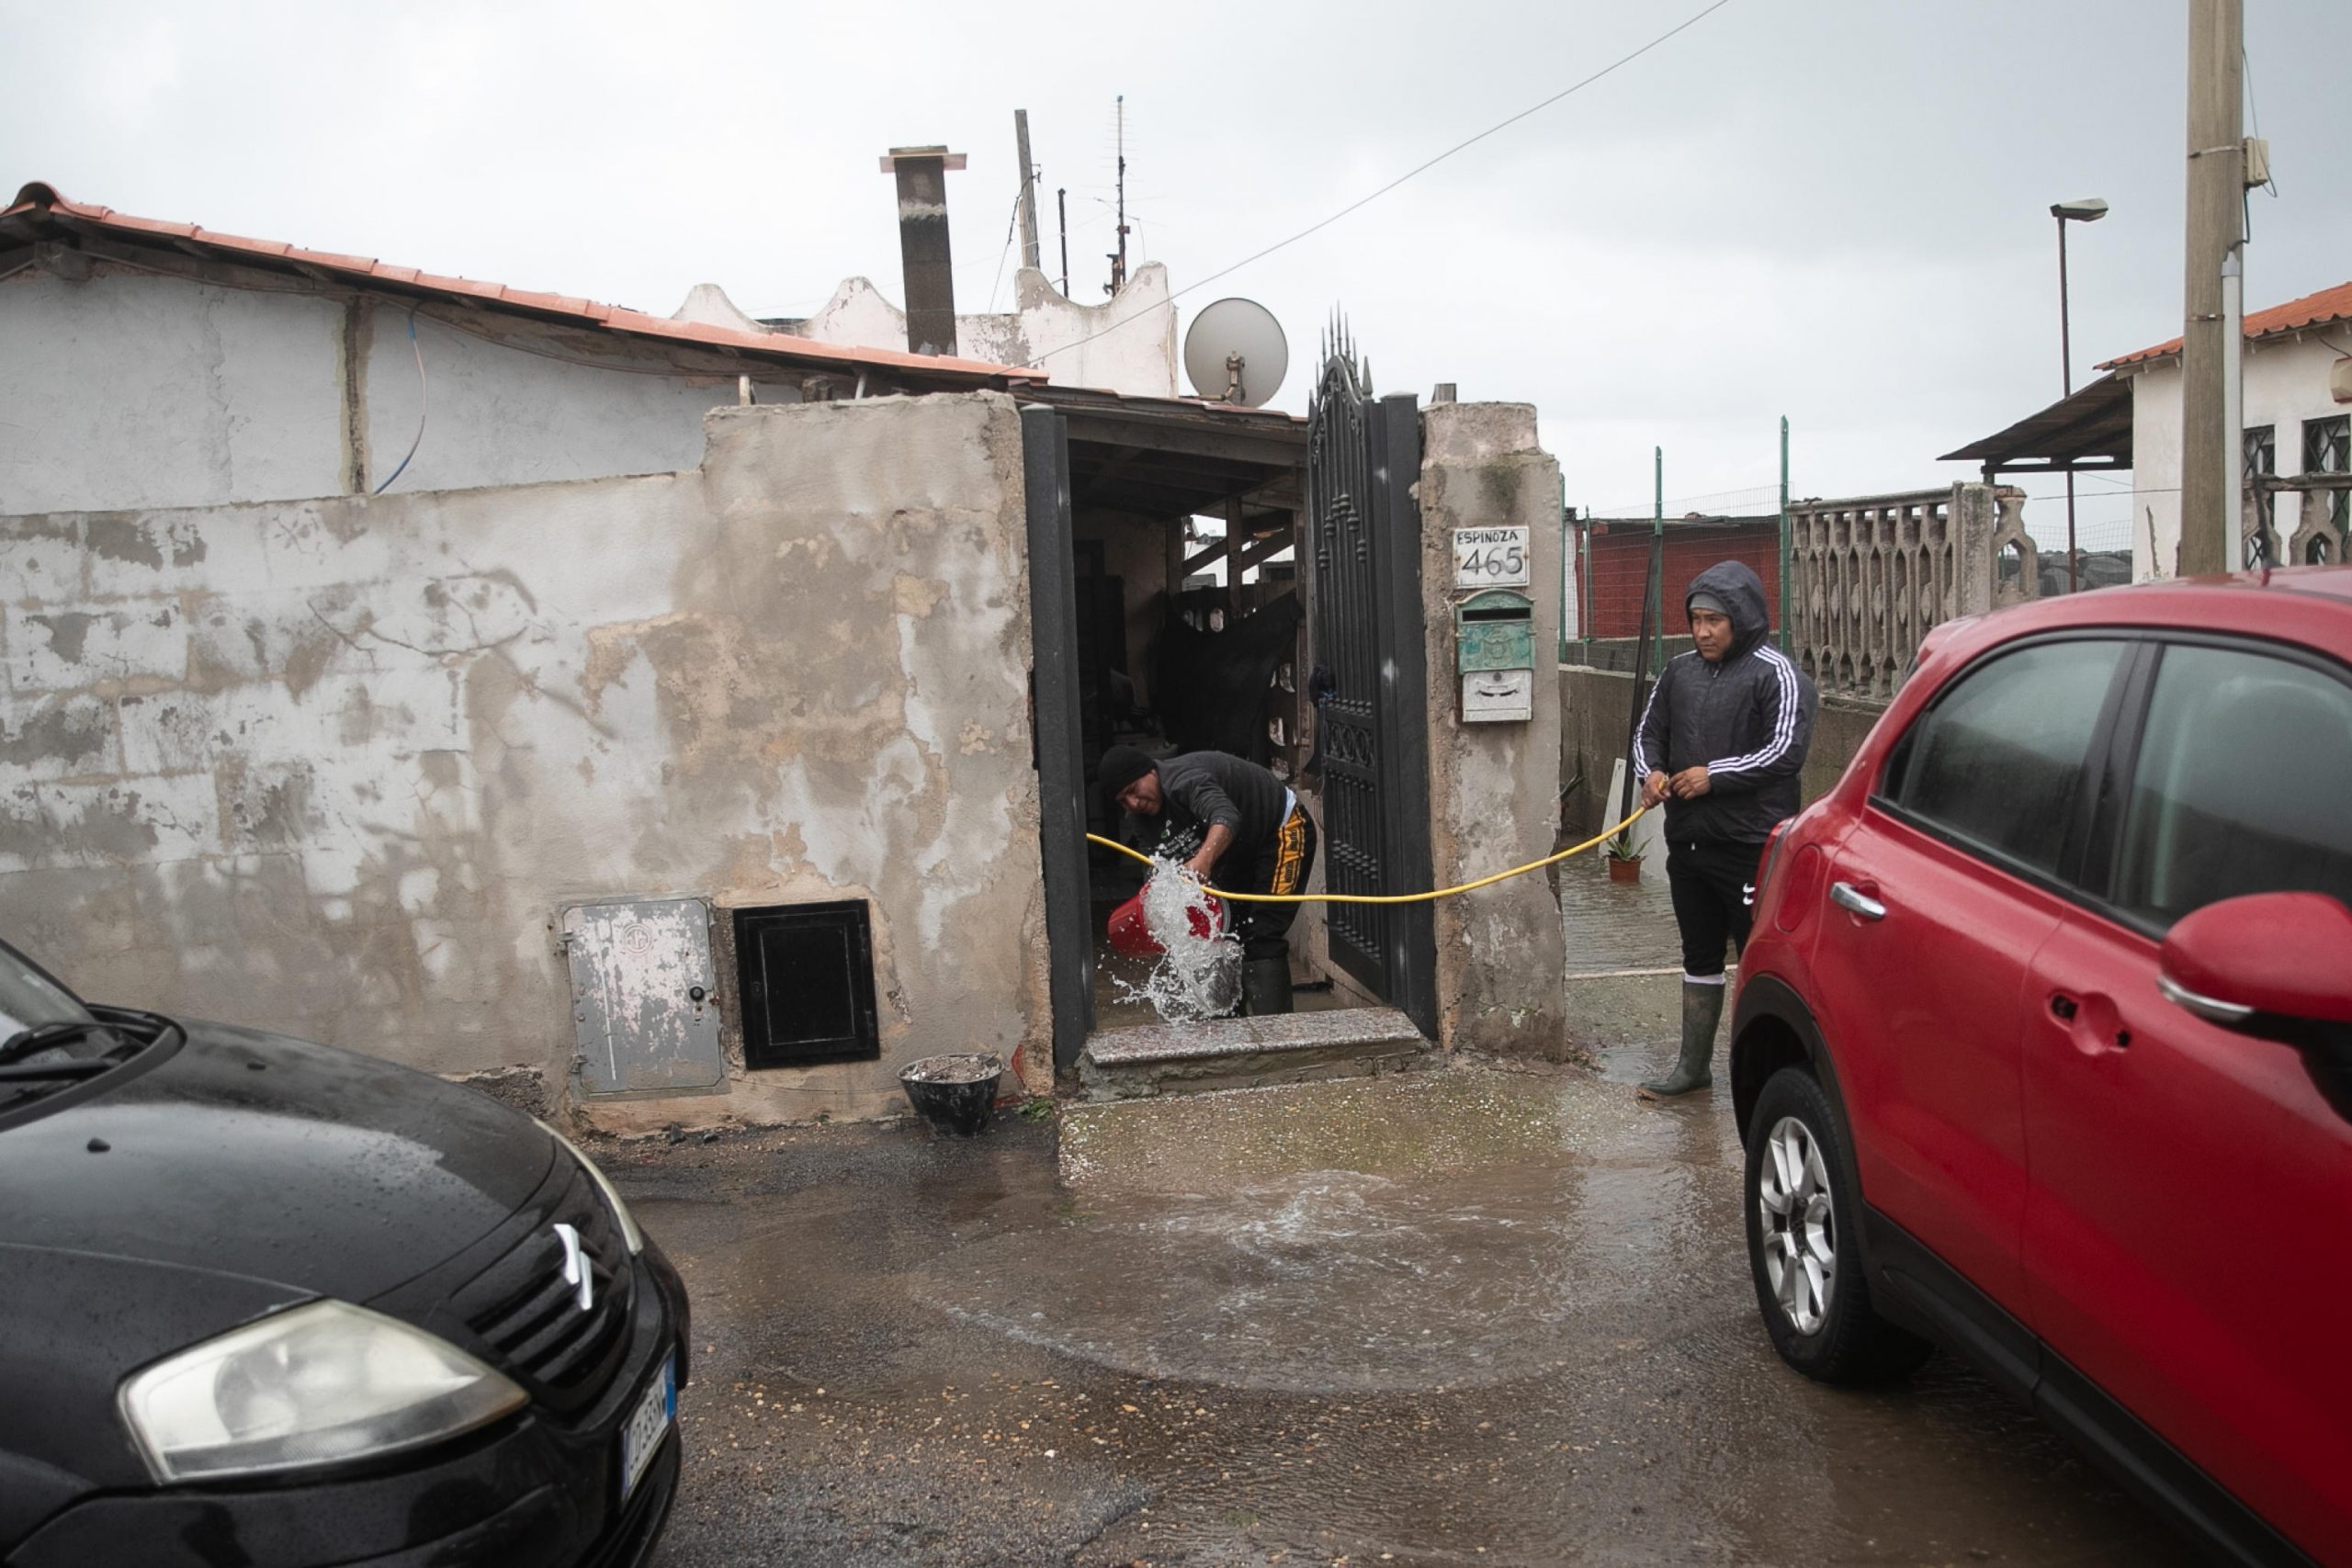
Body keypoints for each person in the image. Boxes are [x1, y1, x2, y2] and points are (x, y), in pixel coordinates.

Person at [1632, 560, 1817, 1100]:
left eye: (1715, 619)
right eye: (1696, 619)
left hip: (1750, 847)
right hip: (1689, 846)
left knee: (1760, 960)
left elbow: (1785, 752)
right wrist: (1653, 774)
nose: (1703, 631)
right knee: (1699, 957)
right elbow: (1649, 735)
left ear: (1742, 617)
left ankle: (1767, 1074)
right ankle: (1693, 1068)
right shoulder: (1678, 672)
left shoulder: (1777, 674)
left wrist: (1715, 777)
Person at [1097, 745, 1317, 1015]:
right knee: (1221, 936)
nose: (1133, 803)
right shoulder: (1139, 820)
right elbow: (1155, 869)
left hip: (1282, 828)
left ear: (1150, 772)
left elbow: (1225, 817)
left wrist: (1202, 861)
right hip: (1236, 854)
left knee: (1262, 934)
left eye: (1133, 790)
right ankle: (1228, 1028)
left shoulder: (1184, 781)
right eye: (1122, 800)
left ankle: (1275, 1033)